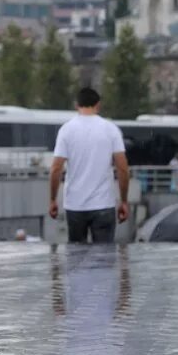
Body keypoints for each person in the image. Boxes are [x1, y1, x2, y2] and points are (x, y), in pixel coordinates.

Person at [48, 87, 130, 244]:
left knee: (77, 259)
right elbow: (122, 168)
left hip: (75, 205)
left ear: (76, 105)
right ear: (98, 105)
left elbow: (56, 168)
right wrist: (124, 201)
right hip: (104, 204)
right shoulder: (110, 129)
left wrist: (52, 200)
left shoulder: (66, 130)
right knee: (104, 260)